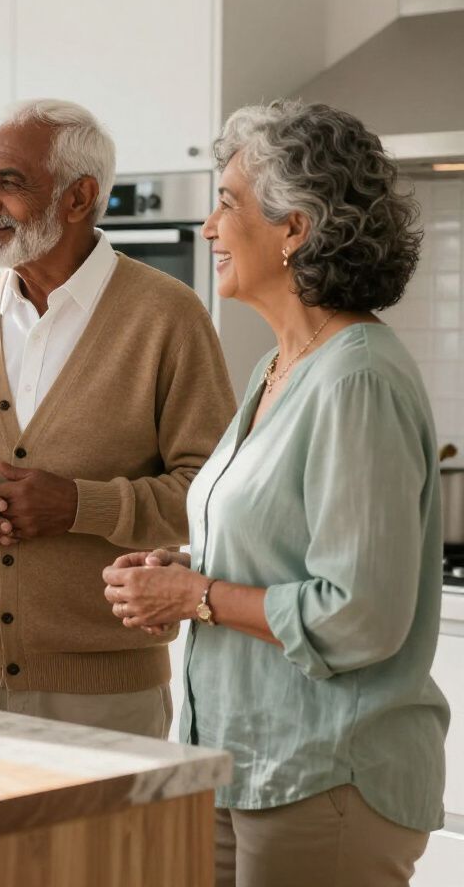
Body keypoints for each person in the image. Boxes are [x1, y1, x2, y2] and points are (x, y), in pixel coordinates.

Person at [103, 100, 449, 886]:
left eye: (225, 204)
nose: (208, 230)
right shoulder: (275, 369)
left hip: (326, 775)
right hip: (239, 761)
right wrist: (184, 570)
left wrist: (195, 595)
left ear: (294, 227)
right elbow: (285, 541)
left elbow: (359, 614)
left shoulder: (356, 378)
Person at [0, 99, 235, 737]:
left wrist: (79, 505)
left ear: (79, 199)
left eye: (9, 182)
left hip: (107, 699)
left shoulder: (168, 318)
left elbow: (214, 497)